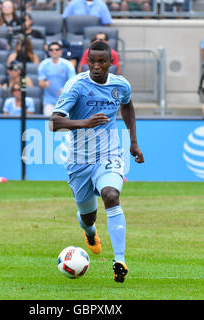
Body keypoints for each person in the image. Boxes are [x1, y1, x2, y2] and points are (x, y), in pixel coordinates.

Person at [49, 40, 145, 283]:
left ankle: (120, 260)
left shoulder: (120, 85)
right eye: (92, 61)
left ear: (110, 63)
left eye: (102, 61)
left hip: (109, 155)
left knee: (111, 195)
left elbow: (128, 107)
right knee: (88, 216)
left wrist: (133, 142)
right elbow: (54, 122)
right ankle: (90, 233)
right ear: (87, 61)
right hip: (79, 161)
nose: (96, 66)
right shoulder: (76, 86)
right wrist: (84, 122)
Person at [38, 41, 76, 116]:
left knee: (66, 125)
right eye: (51, 50)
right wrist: (44, 84)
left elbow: (73, 82)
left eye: (56, 49)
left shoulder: (68, 64)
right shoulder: (43, 64)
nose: (54, 51)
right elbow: (40, 83)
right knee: (49, 124)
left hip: (65, 101)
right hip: (49, 101)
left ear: (60, 51)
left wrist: (64, 89)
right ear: (49, 52)